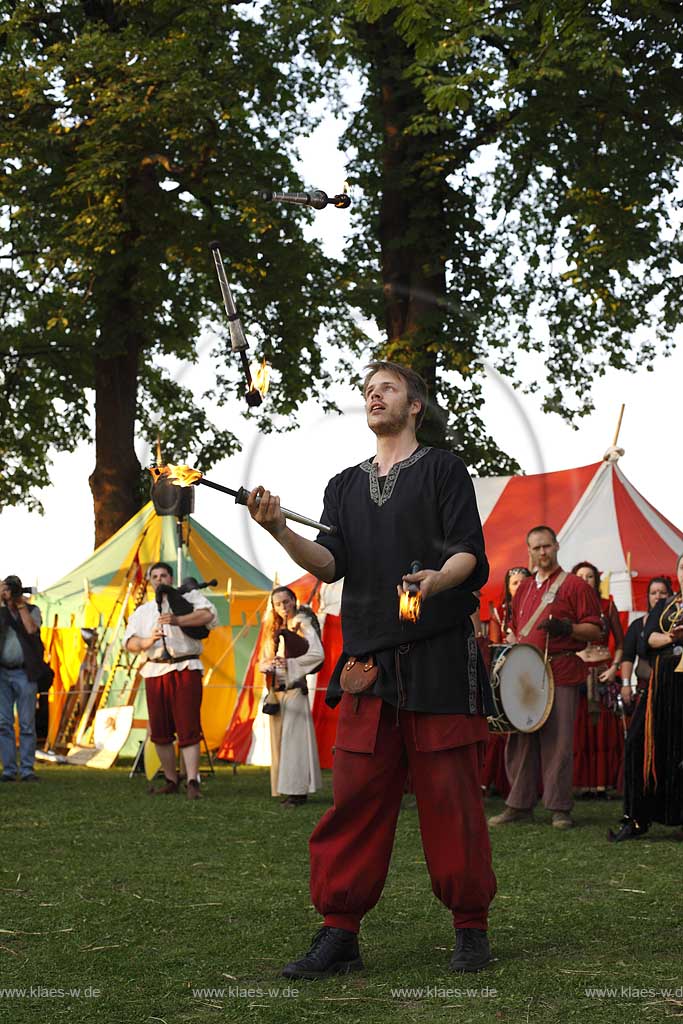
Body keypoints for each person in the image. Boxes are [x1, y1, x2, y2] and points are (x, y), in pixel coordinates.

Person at [247, 360, 496, 978]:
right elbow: (330, 563)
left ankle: (470, 926)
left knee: (451, 800)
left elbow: (470, 550)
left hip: (437, 658)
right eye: (367, 390)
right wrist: (279, 530)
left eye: (387, 388)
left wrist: (439, 578)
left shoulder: (443, 469)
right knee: (354, 801)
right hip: (366, 666)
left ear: (416, 404)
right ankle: (340, 933)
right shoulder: (343, 487)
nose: (373, 396)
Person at [488, 527, 602, 830]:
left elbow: (595, 629)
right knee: (520, 738)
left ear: (556, 546)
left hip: (561, 670)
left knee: (558, 741)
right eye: (537, 547)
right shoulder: (523, 588)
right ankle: (519, 803)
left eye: (547, 546)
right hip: (525, 672)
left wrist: (568, 629)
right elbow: (515, 627)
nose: (543, 552)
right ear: (529, 550)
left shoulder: (576, 585)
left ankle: (559, 807)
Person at [124, 562, 218, 799]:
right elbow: (130, 642)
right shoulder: (143, 611)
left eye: (163, 575)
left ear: (170, 578)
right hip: (156, 670)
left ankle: (193, 780)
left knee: (188, 725)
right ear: (150, 581)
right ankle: (170, 779)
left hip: (186, 666)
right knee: (160, 729)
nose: (159, 579)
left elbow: (208, 615)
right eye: (154, 576)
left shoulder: (188, 597)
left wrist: (177, 620)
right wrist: (147, 642)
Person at [609, 554, 683, 841]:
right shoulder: (667, 604)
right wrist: (673, 638)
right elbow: (647, 638)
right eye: (681, 567)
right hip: (661, 684)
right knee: (638, 742)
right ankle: (637, 817)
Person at [259, 586, 323, 807]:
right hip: (276, 691)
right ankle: (286, 789)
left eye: (286, 602)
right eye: (278, 604)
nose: (283, 607)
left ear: (294, 601)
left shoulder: (302, 624)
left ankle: (297, 793)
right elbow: (263, 659)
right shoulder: (274, 627)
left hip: (295, 688)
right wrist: (269, 665)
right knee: (280, 744)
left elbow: (317, 654)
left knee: (294, 743)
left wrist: (291, 664)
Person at [571, 561, 625, 798]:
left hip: (603, 671)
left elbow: (622, 644)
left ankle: (604, 783)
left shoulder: (607, 605)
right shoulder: (569, 608)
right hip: (578, 673)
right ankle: (582, 784)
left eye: (590, 576)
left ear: (596, 580)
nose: (585, 580)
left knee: (602, 729)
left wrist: (614, 668)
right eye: (580, 576)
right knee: (579, 728)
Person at [482, 567, 531, 798]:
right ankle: (498, 783)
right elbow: (493, 644)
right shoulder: (499, 612)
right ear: (508, 587)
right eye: (514, 583)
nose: (519, 586)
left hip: (529, 674)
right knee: (500, 730)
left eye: (524, 582)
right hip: (504, 674)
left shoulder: (534, 610)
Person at [0, 576, 42, 782]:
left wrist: (19, 605)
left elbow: (31, 630)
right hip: (2, 673)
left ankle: (27, 770)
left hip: (25, 672)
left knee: (26, 723)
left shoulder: (32, 610)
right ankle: (8, 770)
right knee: (3, 723)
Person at [620, 577, 673, 710]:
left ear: (670, 596)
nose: (658, 597)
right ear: (648, 597)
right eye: (653, 593)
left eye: (662, 593)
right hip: (646, 689)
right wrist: (626, 684)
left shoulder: (677, 624)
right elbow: (628, 656)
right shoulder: (637, 625)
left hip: (673, 687)